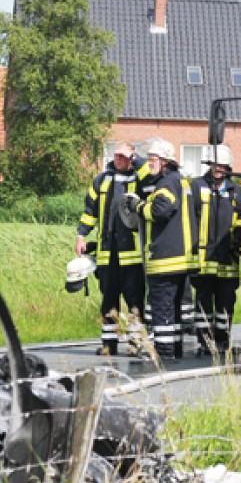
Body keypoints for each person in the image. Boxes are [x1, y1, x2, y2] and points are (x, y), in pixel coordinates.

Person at [124, 139, 198, 359]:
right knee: (173, 307)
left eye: (153, 159)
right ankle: (174, 349)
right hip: (181, 257)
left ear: (165, 161)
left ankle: (164, 351)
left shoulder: (166, 184)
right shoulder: (181, 181)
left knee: (163, 307)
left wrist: (139, 207)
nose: (150, 163)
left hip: (166, 257)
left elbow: (161, 211)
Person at [76, 142, 150, 356]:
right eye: (116, 155)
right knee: (108, 298)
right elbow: (90, 210)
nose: (118, 159)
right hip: (107, 252)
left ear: (132, 157)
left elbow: (151, 176)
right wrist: (81, 234)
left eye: (123, 156)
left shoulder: (139, 178)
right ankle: (109, 343)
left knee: (134, 299)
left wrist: (138, 161)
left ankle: (136, 342)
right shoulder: (102, 179)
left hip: (132, 254)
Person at [191, 145, 241, 356]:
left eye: (221, 166)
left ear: (228, 167)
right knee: (203, 302)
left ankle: (223, 342)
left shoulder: (235, 191)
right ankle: (205, 343)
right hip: (204, 259)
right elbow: (190, 219)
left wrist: (237, 244)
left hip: (227, 259)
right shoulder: (197, 186)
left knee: (225, 304)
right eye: (214, 165)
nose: (217, 169)